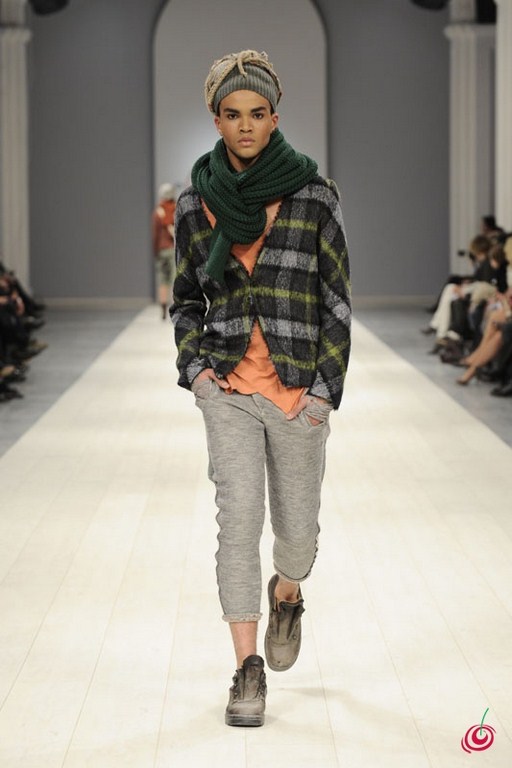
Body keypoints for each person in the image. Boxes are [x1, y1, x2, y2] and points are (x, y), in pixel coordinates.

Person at [170, 50, 351, 727]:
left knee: (297, 538)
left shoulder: (314, 195)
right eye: (232, 114)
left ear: (274, 117)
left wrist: (324, 392)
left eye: (257, 113)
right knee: (237, 524)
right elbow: (185, 299)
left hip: (299, 390)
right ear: (215, 119)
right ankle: (247, 669)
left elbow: (337, 300)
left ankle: (288, 594)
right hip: (230, 391)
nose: (245, 125)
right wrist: (198, 374)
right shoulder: (196, 204)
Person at [151, 182, 177, 319]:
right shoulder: (176, 209)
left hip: (162, 250)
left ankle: (163, 310)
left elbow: (155, 235)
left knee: (163, 280)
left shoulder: (158, 212)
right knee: (175, 279)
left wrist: (155, 251)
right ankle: (176, 309)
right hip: (173, 250)